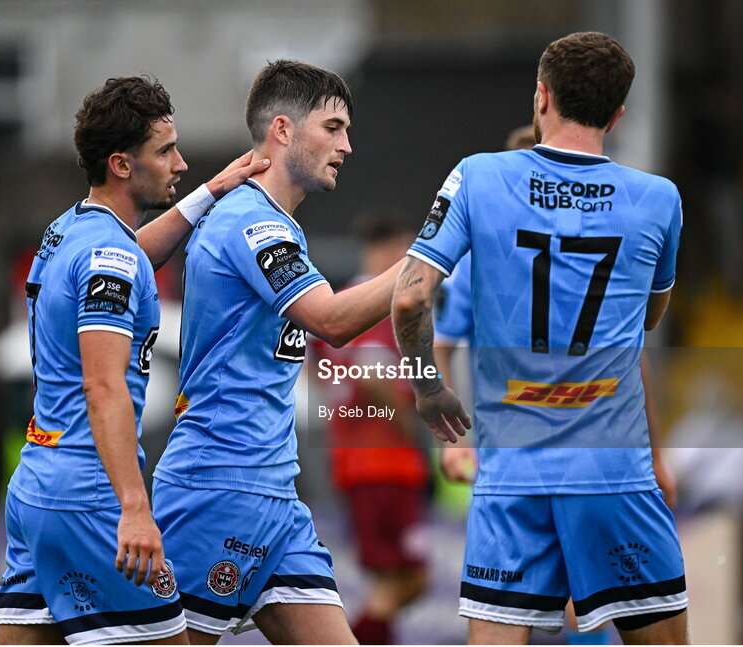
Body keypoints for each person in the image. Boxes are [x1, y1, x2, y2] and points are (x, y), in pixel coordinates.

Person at [392, 32, 688, 645]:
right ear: (617, 114)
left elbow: (410, 296)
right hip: (615, 477)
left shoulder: (476, 177)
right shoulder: (660, 200)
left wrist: (427, 389)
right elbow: (649, 321)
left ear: (541, 96)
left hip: (512, 477)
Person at [0, 75, 267, 645]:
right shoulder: (109, 255)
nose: (181, 162)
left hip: (36, 488)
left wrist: (210, 193)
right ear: (122, 164)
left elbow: (130, 260)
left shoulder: (72, 229)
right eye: (165, 151)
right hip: (90, 496)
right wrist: (134, 506)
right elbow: (104, 386)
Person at [150, 60, 405, 645]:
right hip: (216, 488)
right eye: (334, 127)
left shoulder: (279, 226)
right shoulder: (249, 222)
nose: (348, 144)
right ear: (284, 130)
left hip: (276, 497)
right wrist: (434, 257)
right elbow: (333, 321)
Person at [313, 216, 429, 645]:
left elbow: (321, 373)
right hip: (383, 463)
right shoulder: (370, 307)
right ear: (388, 252)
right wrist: (409, 420)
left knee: (395, 577)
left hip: (361, 462)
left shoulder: (337, 304)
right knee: (410, 578)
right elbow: (368, 373)